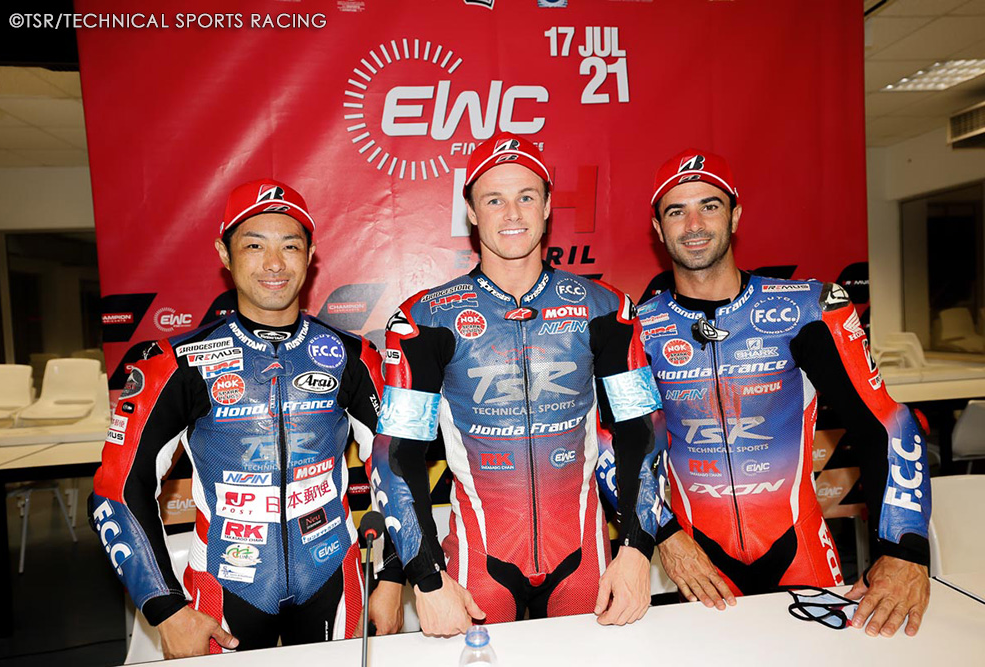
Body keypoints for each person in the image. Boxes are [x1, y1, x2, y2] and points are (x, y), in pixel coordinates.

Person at [369, 133, 668, 637]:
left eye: (526, 197)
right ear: (471, 212)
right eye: (494, 199)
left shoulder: (607, 309)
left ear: (548, 206)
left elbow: (642, 432)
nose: (512, 213)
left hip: (587, 565)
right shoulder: (425, 319)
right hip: (477, 570)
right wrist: (428, 579)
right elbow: (396, 453)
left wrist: (638, 550)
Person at [90, 178, 402, 657]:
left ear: (310, 254)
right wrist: (166, 609)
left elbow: (398, 466)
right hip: (224, 588)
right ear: (224, 253)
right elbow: (116, 491)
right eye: (254, 245)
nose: (274, 263)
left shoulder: (352, 356)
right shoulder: (178, 363)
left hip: (334, 581)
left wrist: (394, 576)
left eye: (289, 246)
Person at [636, 148, 931, 637]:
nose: (694, 224)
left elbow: (888, 423)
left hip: (800, 551)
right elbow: (623, 446)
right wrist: (665, 534)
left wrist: (904, 551)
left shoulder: (807, 308)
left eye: (709, 205)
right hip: (695, 564)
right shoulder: (638, 328)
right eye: (676, 211)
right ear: (658, 227)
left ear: (735, 215)